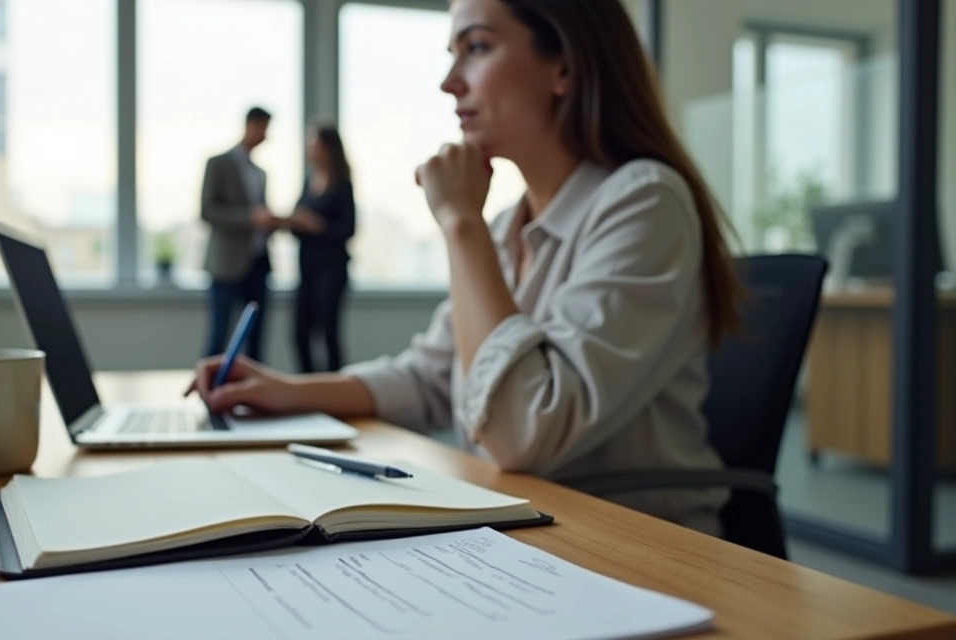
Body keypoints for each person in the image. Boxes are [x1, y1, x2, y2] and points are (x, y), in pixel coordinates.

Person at [189, 0, 743, 536]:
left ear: (565, 66)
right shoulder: (504, 227)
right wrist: (286, 391)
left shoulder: (643, 201)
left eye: (476, 47)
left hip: (634, 548)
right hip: (525, 525)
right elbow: (429, 377)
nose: (450, 81)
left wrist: (459, 223)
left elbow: (524, 430)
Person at [200, 106, 283, 362]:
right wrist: (249, 217)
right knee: (219, 337)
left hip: (258, 263)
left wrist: (271, 222)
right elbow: (207, 210)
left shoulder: (260, 172)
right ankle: (210, 395)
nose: (266, 136)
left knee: (257, 339)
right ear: (252, 125)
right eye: (264, 128)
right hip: (227, 264)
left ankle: (254, 396)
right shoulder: (218, 164)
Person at [288, 124, 356, 373]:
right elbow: (296, 223)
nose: (309, 148)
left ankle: (333, 391)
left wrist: (318, 226)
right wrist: (296, 223)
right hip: (307, 270)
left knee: (328, 334)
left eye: (313, 143)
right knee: (299, 334)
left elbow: (348, 230)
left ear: (327, 148)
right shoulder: (309, 182)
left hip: (331, 271)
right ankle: (308, 389)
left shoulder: (342, 185)